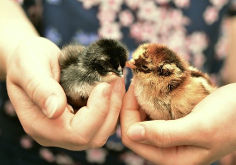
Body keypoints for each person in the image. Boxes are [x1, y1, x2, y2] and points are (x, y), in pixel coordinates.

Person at [0, 0, 235, 164]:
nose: (129, 68)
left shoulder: (184, 88)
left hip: (200, 149)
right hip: (33, 151)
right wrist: (17, 52)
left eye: (137, 66)